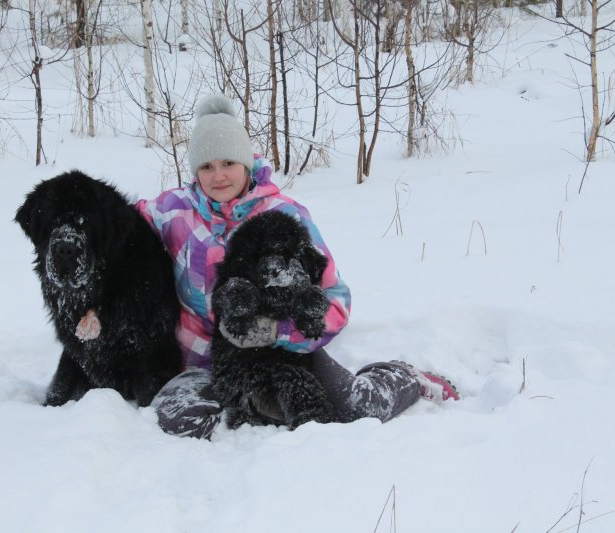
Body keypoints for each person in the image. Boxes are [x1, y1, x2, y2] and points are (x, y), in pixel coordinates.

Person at [136, 94, 458, 439]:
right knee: (180, 424)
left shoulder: (286, 216)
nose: (218, 177)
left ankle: (404, 377)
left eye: (228, 162)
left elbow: (335, 300)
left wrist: (278, 332)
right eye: (206, 166)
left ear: (246, 162)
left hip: (282, 356)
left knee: (357, 409)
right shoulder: (170, 211)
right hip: (199, 360)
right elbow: (113, 231)